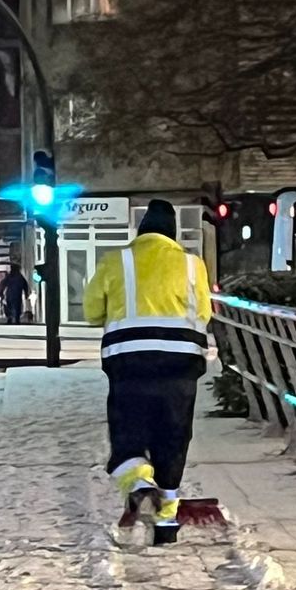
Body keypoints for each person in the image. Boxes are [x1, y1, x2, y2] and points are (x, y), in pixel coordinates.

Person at [83, 199, 213, 546]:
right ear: (173, 233)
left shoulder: (117, 260)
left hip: (129, 362)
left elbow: (92, 312)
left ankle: (140, 485)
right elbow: (204, 312)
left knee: (128, 433)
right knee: (173, 437)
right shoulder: (192, 264)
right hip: (180, 365)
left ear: (141, 230)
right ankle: (166, 525)